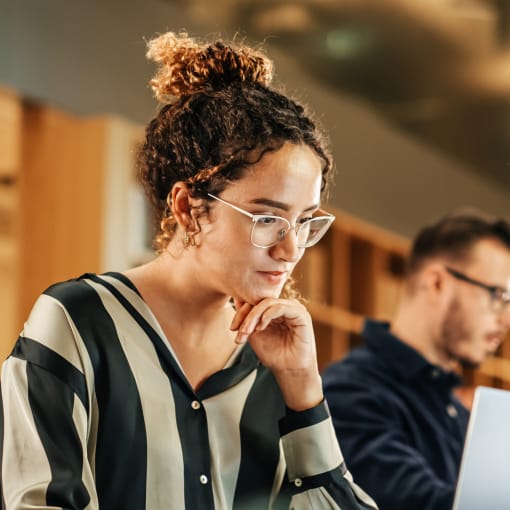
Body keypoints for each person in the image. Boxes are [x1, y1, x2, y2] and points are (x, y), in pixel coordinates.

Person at [0, 31, 377, 510]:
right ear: (189, 208)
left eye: (304, 222)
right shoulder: (78, 322)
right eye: (268, 219)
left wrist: (304, 391)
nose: (290, 249)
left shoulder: (275, 365)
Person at [322, 208, 510, 510]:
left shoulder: (455, 413)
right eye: (499, 296)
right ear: (437, 283)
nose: (506, 320)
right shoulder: (349, 392)